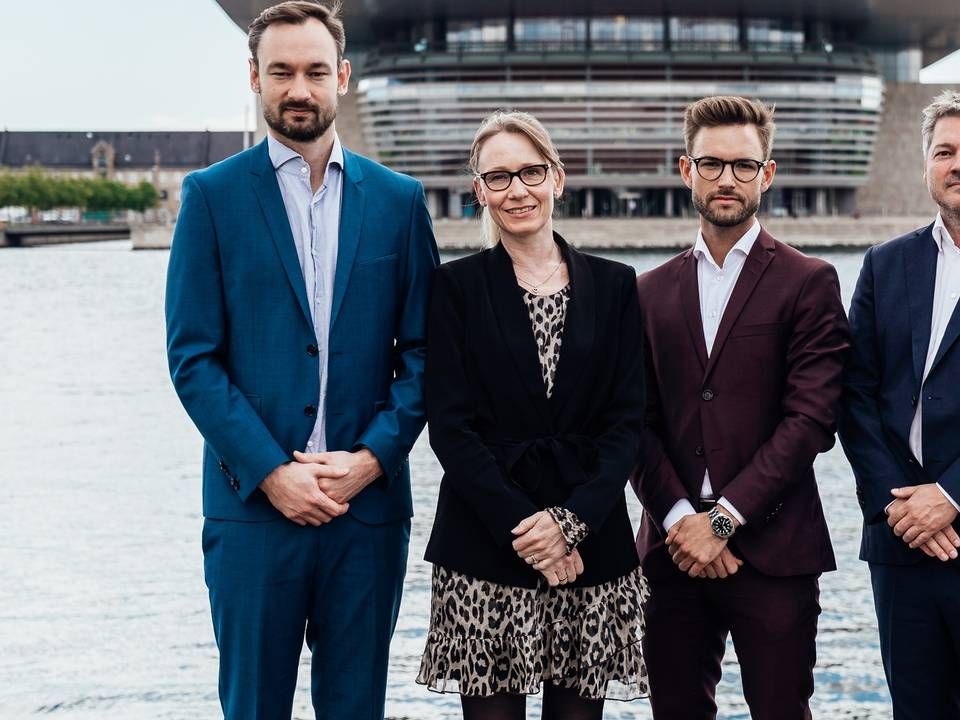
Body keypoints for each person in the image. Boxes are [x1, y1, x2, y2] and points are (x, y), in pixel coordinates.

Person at [164, 2, 439, 717]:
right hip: (253, 515)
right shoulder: (211, 198)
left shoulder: (401, 202)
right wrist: (272, 473)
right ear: (254, 77)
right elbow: (193, 358)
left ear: (342, 77)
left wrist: (372, 461)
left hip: (367, 516)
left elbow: (427, 355)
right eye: (281, 71)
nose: (299, 88)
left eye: (316, 71)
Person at [417, 110, 649, 720]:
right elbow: (450, 427)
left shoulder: (618, 285)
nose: (516, 189)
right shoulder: (454, 288)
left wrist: (571, 524)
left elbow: (628, 422)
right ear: (479, 193)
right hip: (487, 545)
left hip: (591, 546)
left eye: (530, 172)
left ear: (557, 178)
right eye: (499, 178)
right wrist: (531, 532)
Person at [633, 95, 850, 720]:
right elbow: (633, 422)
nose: (727, 178)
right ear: (685, 169)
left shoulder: (809, 282)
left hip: (774, 551)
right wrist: (682, 521)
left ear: (768, 173)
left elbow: (810, 421)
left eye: (743, 165)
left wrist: (722, 521)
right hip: (670, 555)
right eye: (712, 163)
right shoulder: (647, 292)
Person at [839, 89, 960, 719]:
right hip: (900, 542)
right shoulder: (885, 264)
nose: (957, 163)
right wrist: (895, 504)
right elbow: (853, 394)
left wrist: (952, 494)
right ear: (926, 166)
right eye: (945, 151)